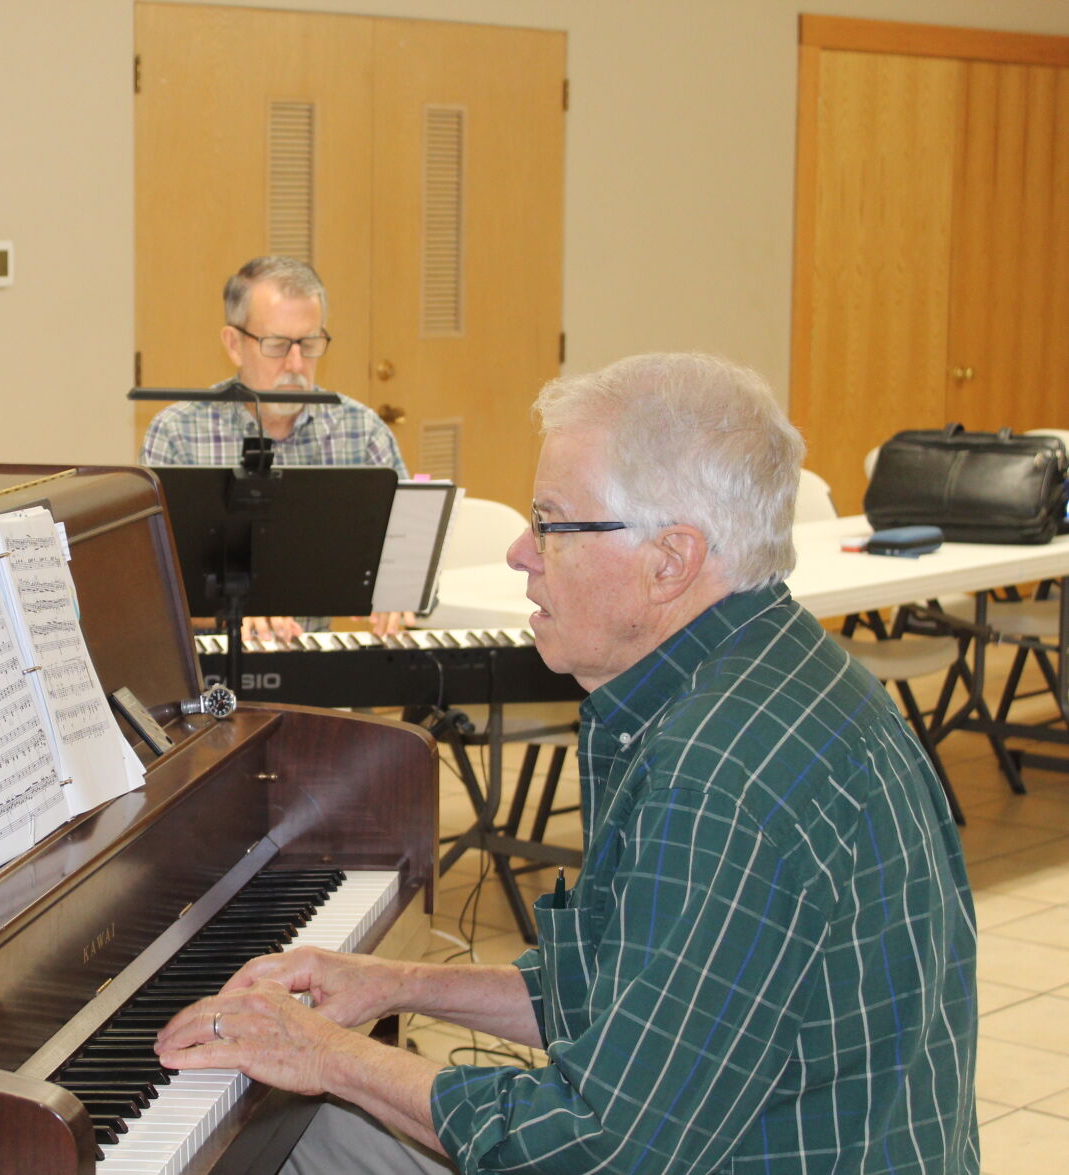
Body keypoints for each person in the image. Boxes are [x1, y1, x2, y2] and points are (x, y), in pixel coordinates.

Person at [155, 352, 979, 1173]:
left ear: (671, 560)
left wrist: (329, 1055)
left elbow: (594, 1148)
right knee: (311, 1129)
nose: (520, 552)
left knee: (291, 1138)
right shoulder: (775, 672)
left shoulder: (717, 772)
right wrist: (392, 984)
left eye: (550, 522)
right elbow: (624, 1002)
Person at [142, 255, 411, 638]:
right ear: (234, 344)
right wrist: (229, 614)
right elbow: (152, 591)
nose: (296, 363)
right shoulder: (177, 432)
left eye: (310, 343)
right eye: (277, 345)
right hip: (213, 673)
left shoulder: (361, 429)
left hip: (318, 668)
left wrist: (397, 591)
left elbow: (407, 557)